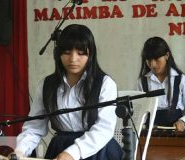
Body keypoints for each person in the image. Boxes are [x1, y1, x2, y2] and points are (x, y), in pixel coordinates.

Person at [15, 24, 122, 160]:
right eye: (67, 52)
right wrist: (20, 151)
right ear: (58, 53)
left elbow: (104, 129)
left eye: (80, 53)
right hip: (60, 148)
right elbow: (34, 127)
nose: (73, 59)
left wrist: (72, 153)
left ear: (91, 54)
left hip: (98, 150)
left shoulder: (105, 84)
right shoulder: (46, 85)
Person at [137, 36, 185, 131]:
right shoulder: (142, 82)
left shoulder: (182, 80)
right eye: (148, 60)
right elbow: (141, 112)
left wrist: (183, 121)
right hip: (152, 131)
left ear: (167, 55)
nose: (152, 65)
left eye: (157, 59)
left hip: (177, 130)